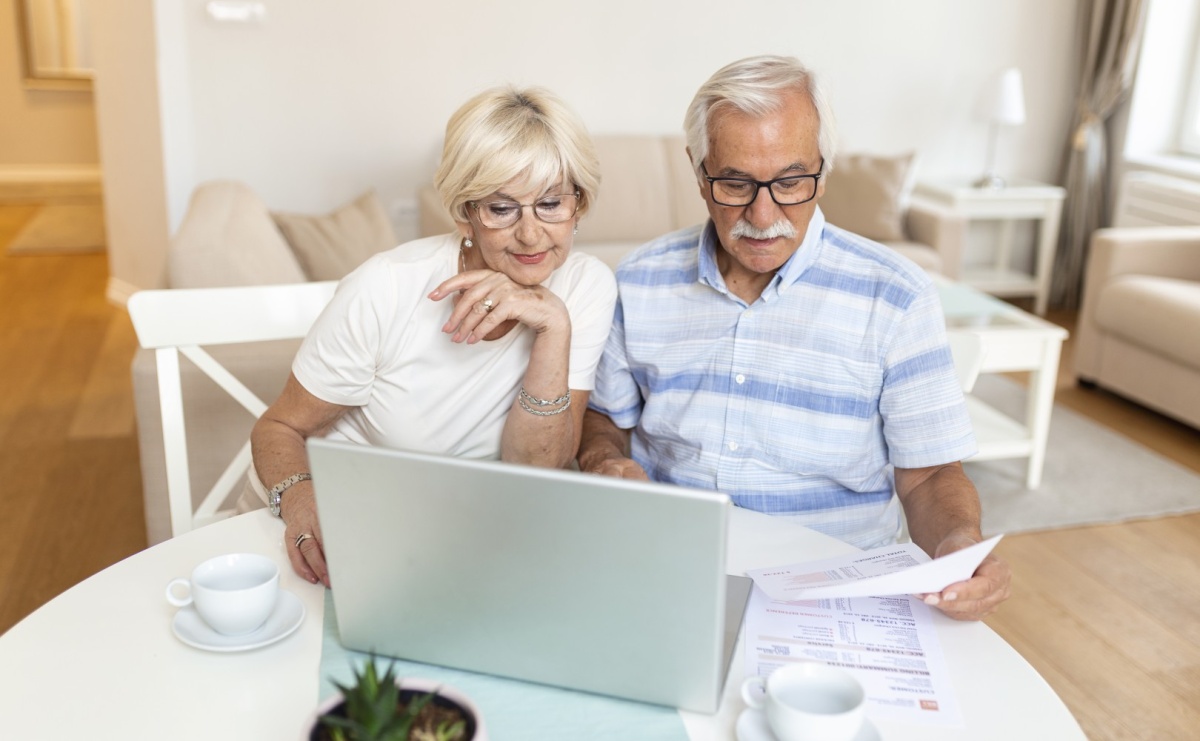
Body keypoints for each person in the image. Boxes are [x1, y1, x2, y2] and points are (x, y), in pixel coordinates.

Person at [577, 55, 1010, 621]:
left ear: (824, 172)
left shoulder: (897, 296)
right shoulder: (638, 280)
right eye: (735, 183)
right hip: (670, 568)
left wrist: (957, 543)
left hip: (836, 591)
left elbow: (928, 474)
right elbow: (604, 420)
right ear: (698, 171)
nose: (763, 215)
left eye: (790, 182)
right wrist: (602, 459)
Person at [250, 86, 617, 586]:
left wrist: (553, 325)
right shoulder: (386, 287)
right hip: (345, 528)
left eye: (551, 204)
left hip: (467, 538)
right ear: (465, 212)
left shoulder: (585, 287)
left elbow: (540, 469)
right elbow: (277, 428)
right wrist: (299, 500)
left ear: (580, 204)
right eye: (501, 209)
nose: (531, 235)